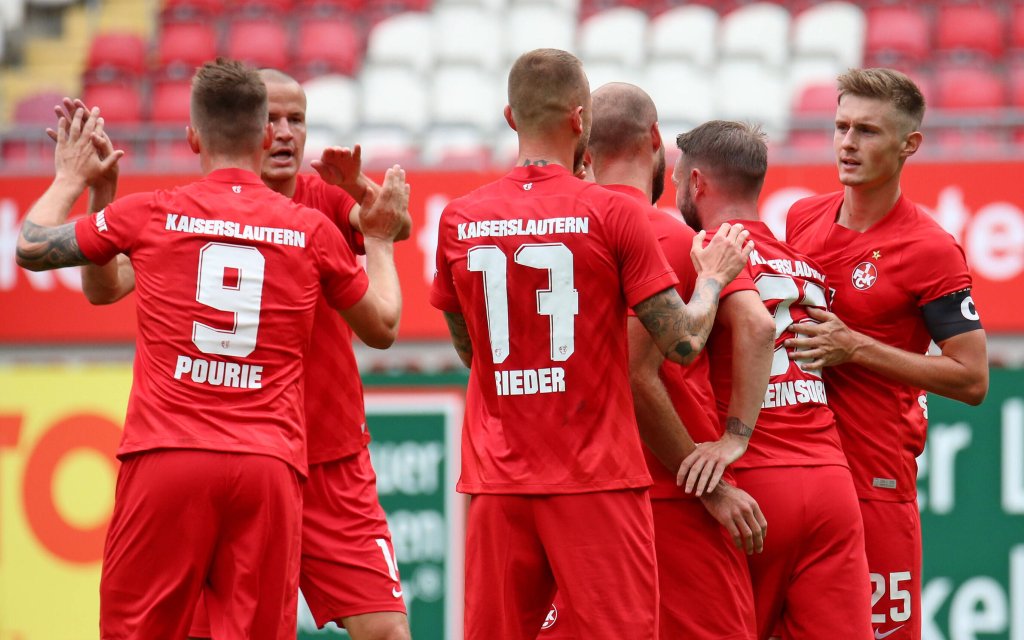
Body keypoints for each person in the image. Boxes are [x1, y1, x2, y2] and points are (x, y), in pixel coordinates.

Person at [16, 58, 406, 639]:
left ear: (195, 134)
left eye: (297, 118)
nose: (285, 131)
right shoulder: (309, 229)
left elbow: (34, 247)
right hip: (269, 460)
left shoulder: (169, 212)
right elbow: (384, 302)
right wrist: (379, 233)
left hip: (276, 461)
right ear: (257, 132)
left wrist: (72, 180)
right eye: (272, 118)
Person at [430, 49, 757, 640]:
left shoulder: (459, 218)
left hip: (498, 480)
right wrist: (710, 280)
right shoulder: (611, 212)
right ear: (579, 120)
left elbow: (472, 349)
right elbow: (681, 347)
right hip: (596, 479)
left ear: (510, 116)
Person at [542, 83, 770, 640]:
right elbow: (756, 329)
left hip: (571, 488)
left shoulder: (557, 233)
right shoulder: (669, 234)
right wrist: (718, 466)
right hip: (669, 489)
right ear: (655, 140)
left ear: (585, 150)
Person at [784, 68, 989, 640]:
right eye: (841, 127)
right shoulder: (802, 217)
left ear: (909, 144)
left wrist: (855, 347)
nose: (847, 144)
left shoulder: (931, 249)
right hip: (797, 470)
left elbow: (972, 379)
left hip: (875, 479)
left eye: (868, 132)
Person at [676, 119, 873, 639]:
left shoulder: (715, 247)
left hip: (757, 482)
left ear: (696, 182)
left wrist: (734, 437)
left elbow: (759, 327)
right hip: (831, 480)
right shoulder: (801, 262)